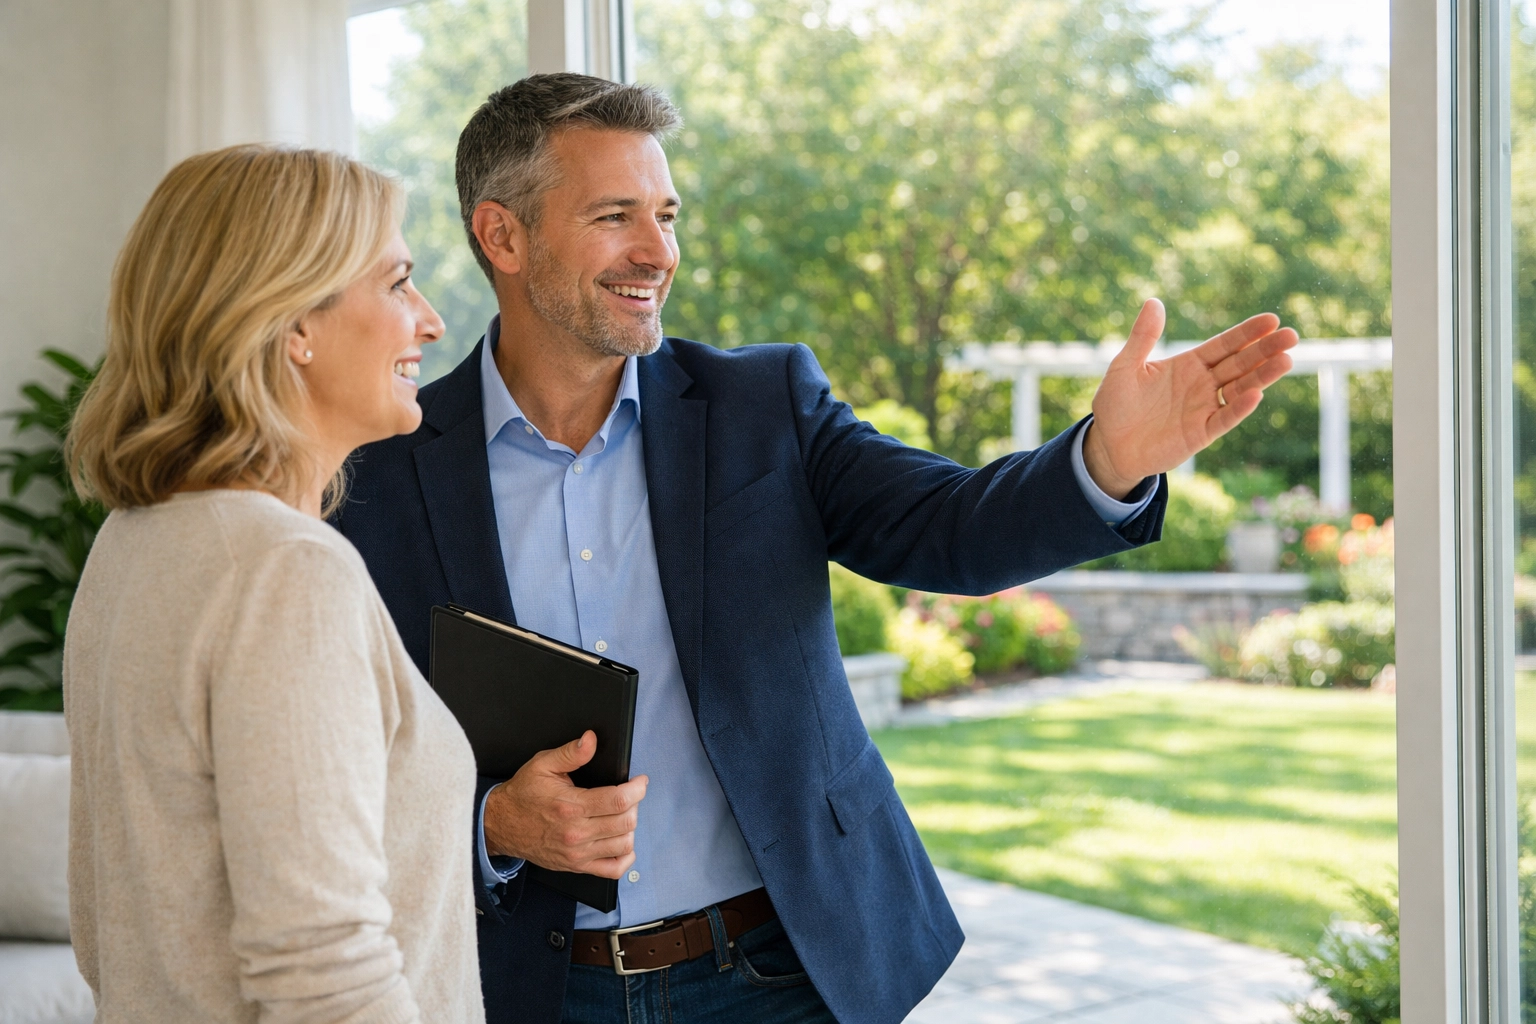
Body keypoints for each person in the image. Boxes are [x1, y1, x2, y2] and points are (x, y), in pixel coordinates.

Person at [335, 74, 1296, 1024]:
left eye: (667, 215)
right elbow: (342, 764)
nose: (658, 251)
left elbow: (950, 529)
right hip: (528, 989)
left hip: (780, 975)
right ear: (502, 235)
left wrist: (1109, 458)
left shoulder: (765, 406)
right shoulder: (377, 469)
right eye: (615, 216)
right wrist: (492, 824)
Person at [62, 145, 484, 1024]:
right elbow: (327, 977)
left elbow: (107, 930)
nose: (431, 321)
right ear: (295, 321)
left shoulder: (134, 540)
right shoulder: (285, 573)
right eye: (399, 282)